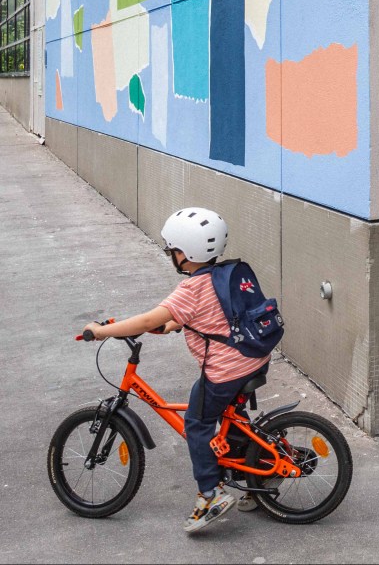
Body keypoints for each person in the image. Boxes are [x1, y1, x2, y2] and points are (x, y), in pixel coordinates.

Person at [84, 207, 271, 534]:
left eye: (173, 250)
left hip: (226, 371)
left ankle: (210, 495)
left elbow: (146, 321)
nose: (172, 255)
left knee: (197, 423)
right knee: (233, 419)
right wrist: (173, 324)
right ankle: (256, 480)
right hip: (252, 357)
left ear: (186, 253)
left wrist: (101, 331)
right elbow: (204, 315)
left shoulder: (190, 290)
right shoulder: (224, 273)